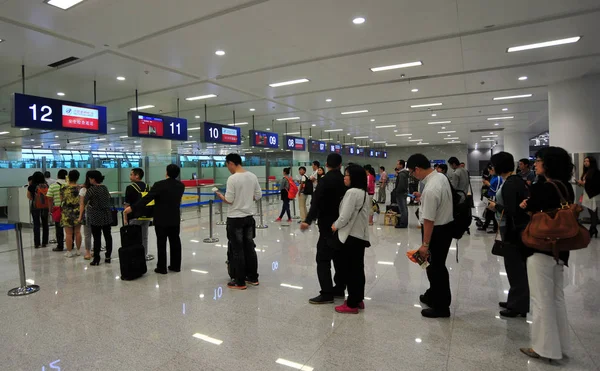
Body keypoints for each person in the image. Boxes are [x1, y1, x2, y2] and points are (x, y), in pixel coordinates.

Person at [519, 147, 575, 360]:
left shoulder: (544, 187)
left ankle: (544, 348)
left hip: (541, 246)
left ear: (548, 164)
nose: (535, 163)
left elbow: (529, 207)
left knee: (541, 299)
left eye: (538, 160)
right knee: (556, 297)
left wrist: (526, 204)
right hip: (560, 248)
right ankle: (562, 345)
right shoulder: (565, 187)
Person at [407, 154, 454, 318]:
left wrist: (425, 245)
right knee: (436, 266)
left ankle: (441, 307)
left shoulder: (431, 188)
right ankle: (433, 295)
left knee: (435, 268)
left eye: (413, 172)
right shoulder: (440, 177)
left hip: (436, 232)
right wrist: (423, 198)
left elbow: (428, 220)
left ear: (417, 169)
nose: (413, 176)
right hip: (446, 227)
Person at [487, 152, 530, 318]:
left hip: (513, 230)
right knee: (514, 267)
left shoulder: (511, 183)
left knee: (515, 267)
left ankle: (518, 306)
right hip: (513, 228)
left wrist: (495, 206)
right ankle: (515, 299)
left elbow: (512, 210)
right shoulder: (514, 180)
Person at [301, 153, 347, 304]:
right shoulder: (345, 180)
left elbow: (316, 202)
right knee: (340, 258)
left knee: (322, 259)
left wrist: (308, 220)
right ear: (340, 165)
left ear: (326, 165)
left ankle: (327, 293)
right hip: (343, 225)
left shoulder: (325, 180)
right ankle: (340, 288)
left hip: (327, 226)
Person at [124, 164, 185, 274]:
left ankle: (162, 267)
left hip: (161, 219)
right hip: (175, 218)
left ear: (166, 172)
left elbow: (147, 199)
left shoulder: (159, 185)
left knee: (161, 243)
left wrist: (132, 208)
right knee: (175, 241)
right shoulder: (180, 185)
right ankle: (176, 266)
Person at [215, 153, 262, 290]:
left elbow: (229, 199)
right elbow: (258, 195)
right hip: (249, 218)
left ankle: (240, 281)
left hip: (235, 219)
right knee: (250, 248)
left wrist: (221, 196)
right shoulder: (252, 176)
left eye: (227, 165)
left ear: (231, 163)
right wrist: (247, 199)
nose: (228, 168)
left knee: (237, 250)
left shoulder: (233, 178)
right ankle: (253, 278)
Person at [332, 164, 370, 314]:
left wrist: (334, 226)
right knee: (358, 270)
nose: (344, 177)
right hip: (360, 236)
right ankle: (358, 299)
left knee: (350, 271)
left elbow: (344, 217)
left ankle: (352, 304)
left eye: (346, 175)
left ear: (353, 177)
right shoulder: (364, 193)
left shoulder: (352, 193)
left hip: (350, 237)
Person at [84, 171, 113, 266]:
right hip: (106, 215)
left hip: (96, 215)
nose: (89, 180)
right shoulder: (105, 188)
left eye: (90, 178)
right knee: (108, 236)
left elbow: (85, 201)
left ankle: (96, 258)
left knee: (97, 238)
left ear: (93, 179)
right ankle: (108, 256)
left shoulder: (91, 190)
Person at [124, 168, 153, 259]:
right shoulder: (148, 187)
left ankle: (134, 256)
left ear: (137, 176)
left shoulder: (130, 188)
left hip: (134, 217)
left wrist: (125, 217)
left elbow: (127, 204)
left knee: (133, 238)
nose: (130, 176)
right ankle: (144, 255)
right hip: (147, 216)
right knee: (144, 237)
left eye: (131, 174)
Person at [61, 170, 82, 258]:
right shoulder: (80, 188)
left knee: (68, 233)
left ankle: (69, 252)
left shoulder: (63, 187)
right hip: (77, 211)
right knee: (77, 232)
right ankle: (78, 250)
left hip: (67, 212)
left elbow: (61, 199)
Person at [577, 156, 600, 238]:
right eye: (585, 161)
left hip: (593, 195)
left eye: (587, 161)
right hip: (587, 194)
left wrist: (583, 184)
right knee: (591, 212)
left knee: (593, 212)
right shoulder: (587, 172)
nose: (585, 163)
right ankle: (593, 229)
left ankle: (593, 228)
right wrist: (581, 184)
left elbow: (596, 185)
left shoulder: (596, 172)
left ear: (592, 162)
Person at [27, 171, 49, 249]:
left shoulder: (31, 186)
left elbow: (29, 197)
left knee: (36, 224)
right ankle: (45, 242)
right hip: (45, 206)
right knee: (45, 224)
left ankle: (37, 243)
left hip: (35, 206)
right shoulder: (46, 185)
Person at [47, 169, 67, 252]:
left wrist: (50, 209)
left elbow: (49, 198)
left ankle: (60, 245)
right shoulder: (69, 185)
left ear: (58, 176)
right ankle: (71, 244)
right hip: (68, 208)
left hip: (58, 208)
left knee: (59, 228)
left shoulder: (53, 185)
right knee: (70, 228)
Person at [478, 165, 501, 233]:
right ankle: (485, 226)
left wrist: (488, 185)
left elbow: (496, 190)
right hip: (490, 197)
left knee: (492, 214)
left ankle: (494, 228)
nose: (489, 172)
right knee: (489, 213)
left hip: (495, 198)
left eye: (490, 171)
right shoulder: (493, 177)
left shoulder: (498, 178)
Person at [79, 172, 93, 260]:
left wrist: (80, 216)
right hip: (98, 214)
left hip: (87, 214)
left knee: (87, 234)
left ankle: (88, 252)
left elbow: (82, 204)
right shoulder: (100, 188)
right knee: (97, 233)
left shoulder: (84, 190)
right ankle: (96, 250)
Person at [395, 160, 409, 228]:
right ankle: (404, 222)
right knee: (404, 208)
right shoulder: (404, 173)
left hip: (400, 193)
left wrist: (396, 191)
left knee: (402, 209)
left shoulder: (402, 174)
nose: (396, 165)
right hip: (403, 193)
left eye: (398, 164)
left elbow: (401, 185)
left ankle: (403, 223)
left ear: (401, 165)